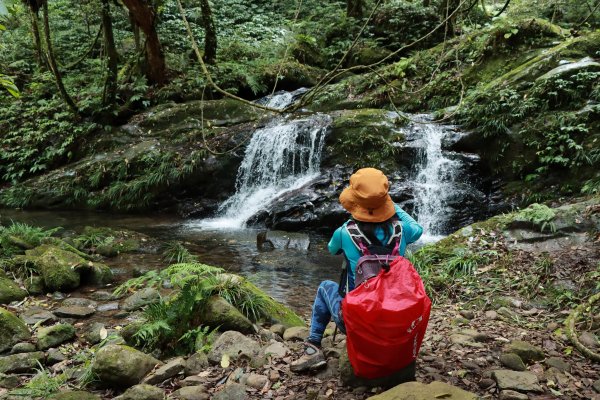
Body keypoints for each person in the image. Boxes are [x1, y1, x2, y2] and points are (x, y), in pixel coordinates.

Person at [291, 167, 423, 372]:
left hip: (359, 323)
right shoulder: (403, 230)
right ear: (386, 202)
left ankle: (313, 345)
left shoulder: (344, 233)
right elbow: (418, 229)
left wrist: (354, 216)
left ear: (356, 204)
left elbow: (332, 249)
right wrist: (390, 204)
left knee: (325, 287)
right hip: (396, 322)